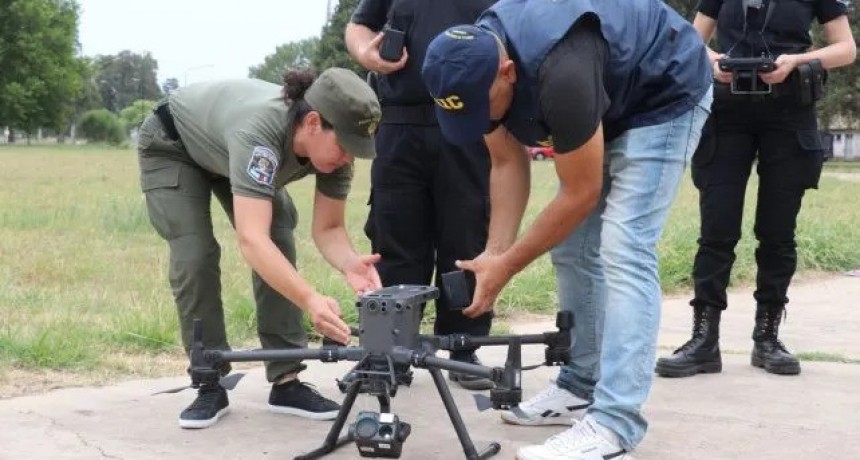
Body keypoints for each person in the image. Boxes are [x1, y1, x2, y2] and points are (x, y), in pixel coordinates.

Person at [420, 0, 713, 457]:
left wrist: (510, 266)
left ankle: (616, 424)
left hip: (664, 90)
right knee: (572, 246)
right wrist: (495, 254)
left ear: (508, 72)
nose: (481, 122)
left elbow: (580, 193)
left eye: (482, 108)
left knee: (624, 245)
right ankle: (580, 382)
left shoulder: (561, 70)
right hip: (607, 91)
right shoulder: (471, 60)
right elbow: (505, 159)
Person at [137, 67, 383, 429]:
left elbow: (329, 228)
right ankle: (208, 379)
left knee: (280, 231)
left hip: (226, 147)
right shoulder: (261, 133)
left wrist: (349, 264)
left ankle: (286, 381)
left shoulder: (335, 155)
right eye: (345, 145)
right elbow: (252, 241)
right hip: (173, 145)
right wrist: (310, 299)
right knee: (196, 254)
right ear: (313, 122)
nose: (349, 158)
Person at [656, 0, 856, 379]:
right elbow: (691, 40)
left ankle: (767, 339)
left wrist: (796, 62)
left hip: (790, 111)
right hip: (727, 113)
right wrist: (714, 61)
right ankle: (703, 341)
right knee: (716, 230)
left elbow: (845, 48)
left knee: (778, 233)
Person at [345, 0, 497, 390]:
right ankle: (388, 352)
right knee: (395, 237)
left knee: (465, 237)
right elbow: (359, 26)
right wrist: (366, 53)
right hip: (398, 121)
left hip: (468, 119)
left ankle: (464, 346)